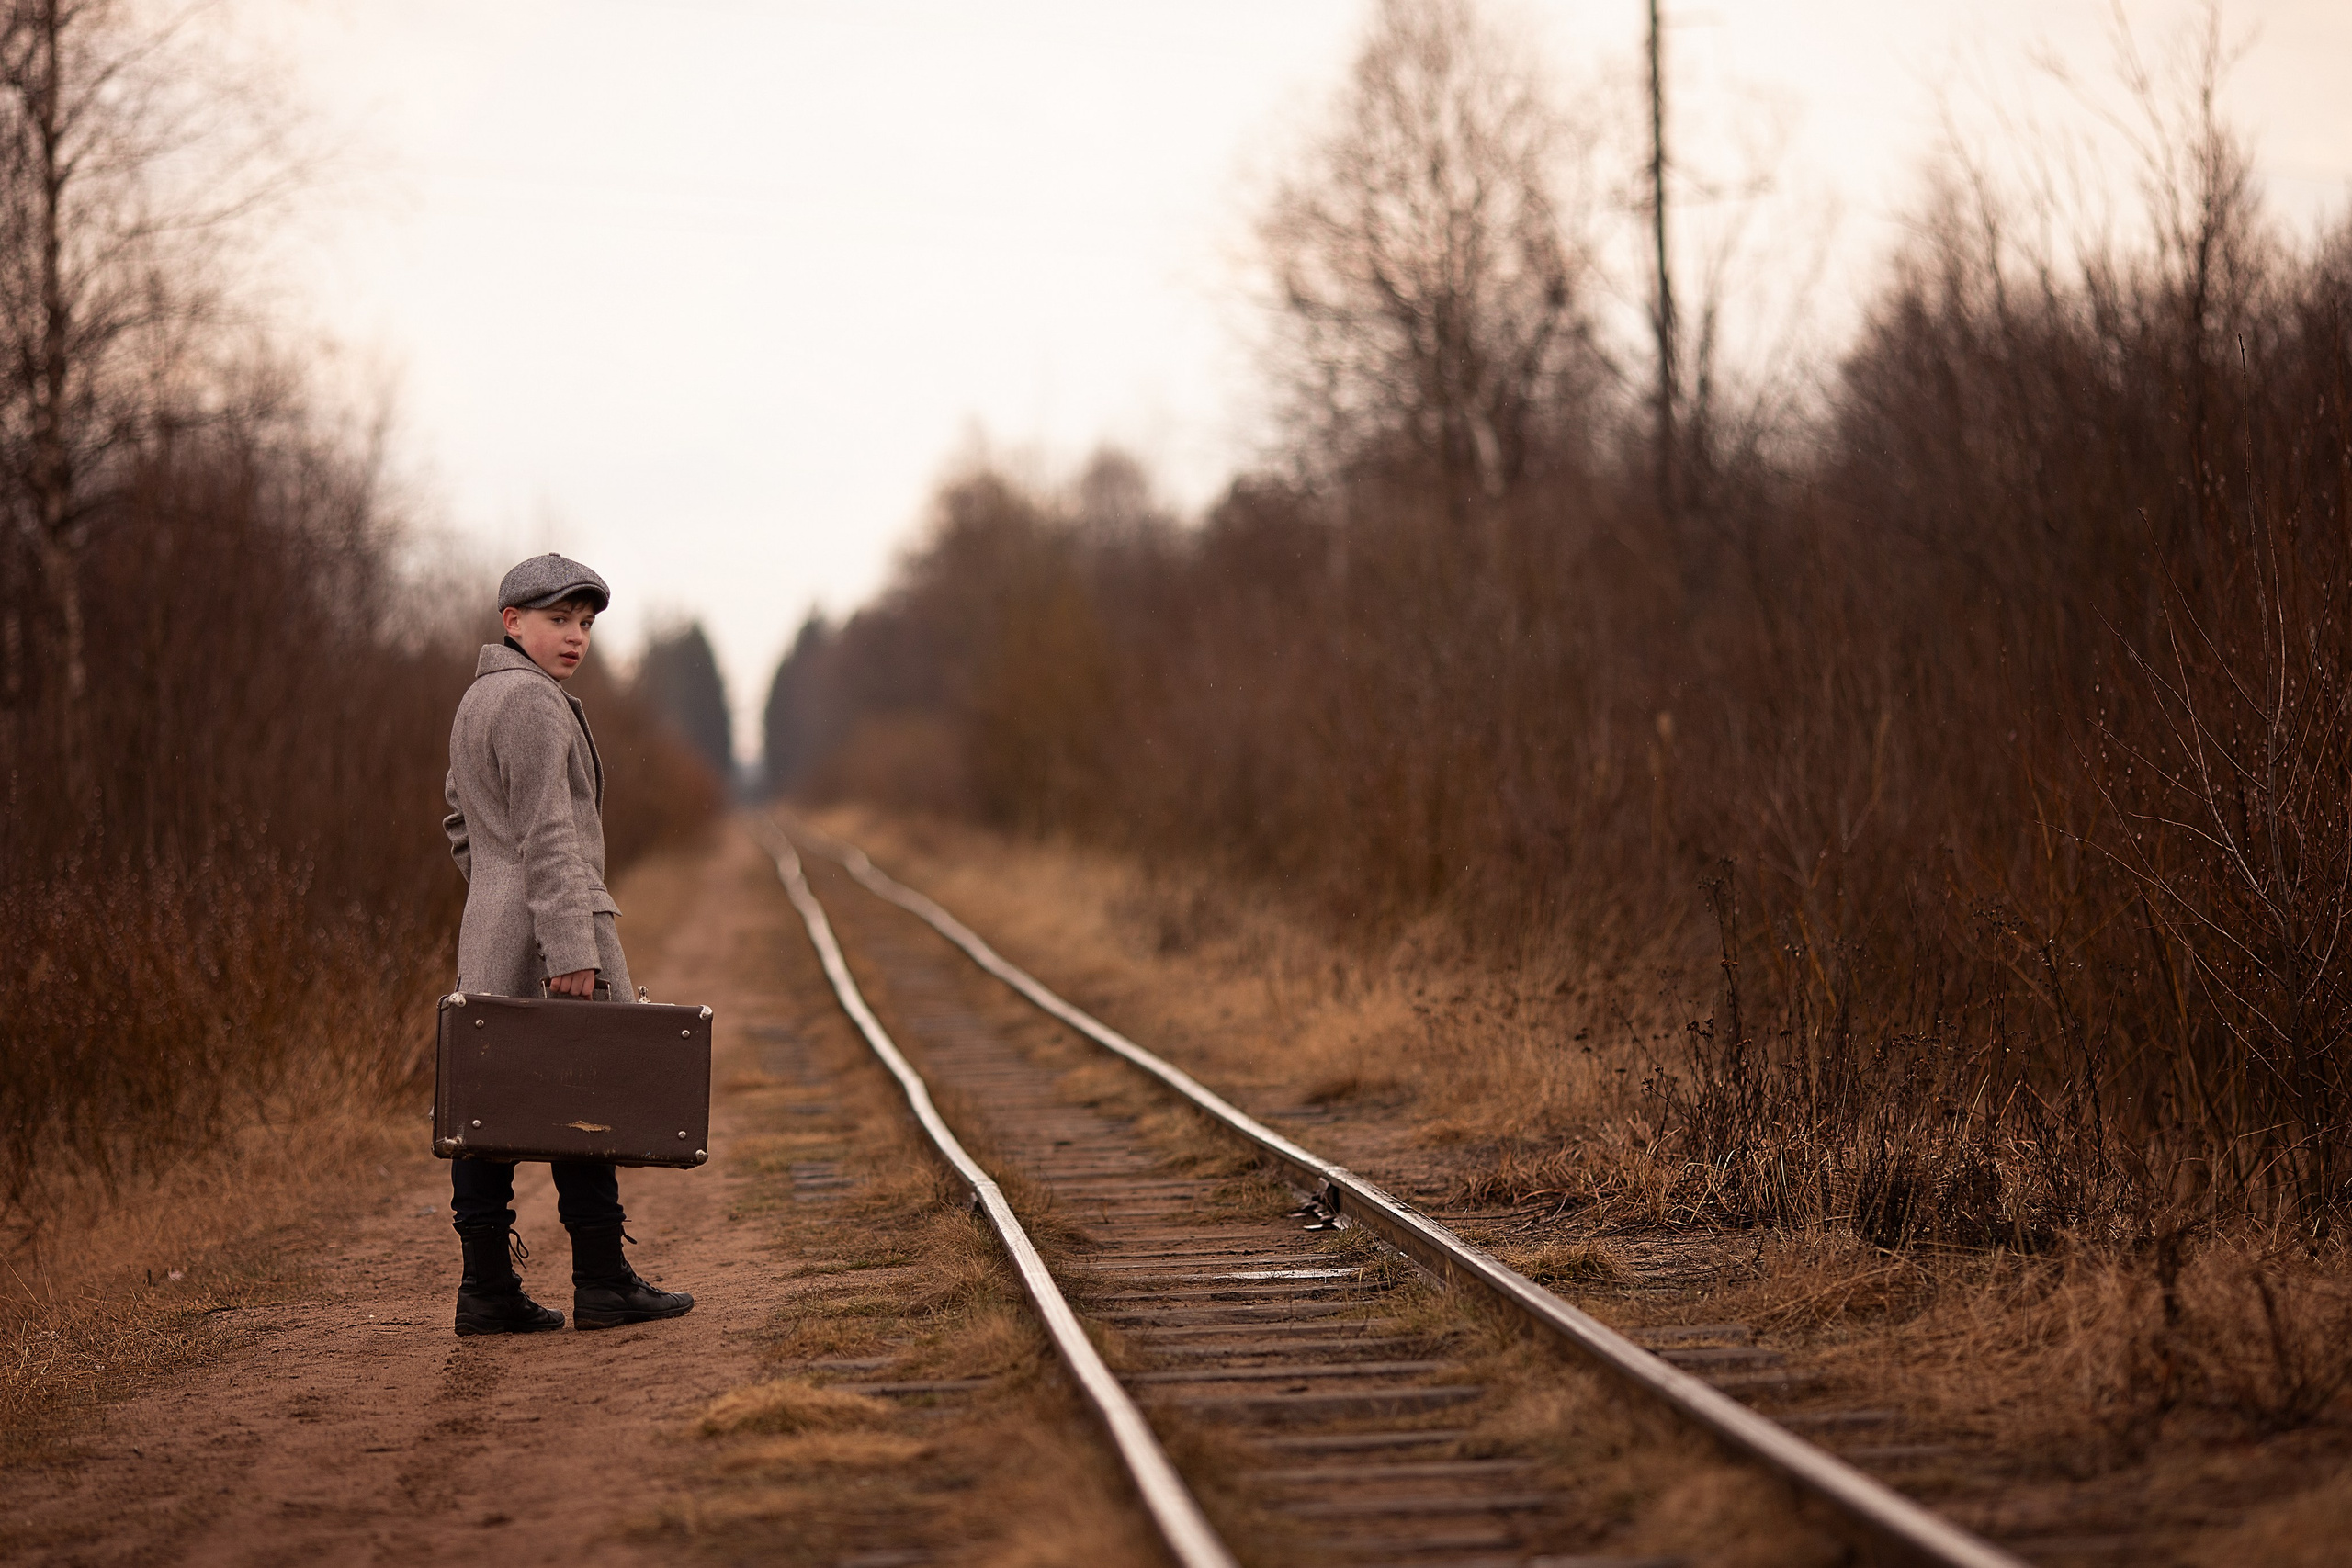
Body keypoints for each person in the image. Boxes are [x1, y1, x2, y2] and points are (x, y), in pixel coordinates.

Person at [439, 552, 695, 1337]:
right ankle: (603, 1281)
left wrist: (493, 895)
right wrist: (567, 946)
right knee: (585, 1096)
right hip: (557, 930)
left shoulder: (479, 698)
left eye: (584, 622)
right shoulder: (532, 702)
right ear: (512, 621)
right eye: (559, 620)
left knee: (490, 1107)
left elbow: (459, 821)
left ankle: (486, 1289)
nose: (576, 636)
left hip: (496, 930)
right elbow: (550, 834)